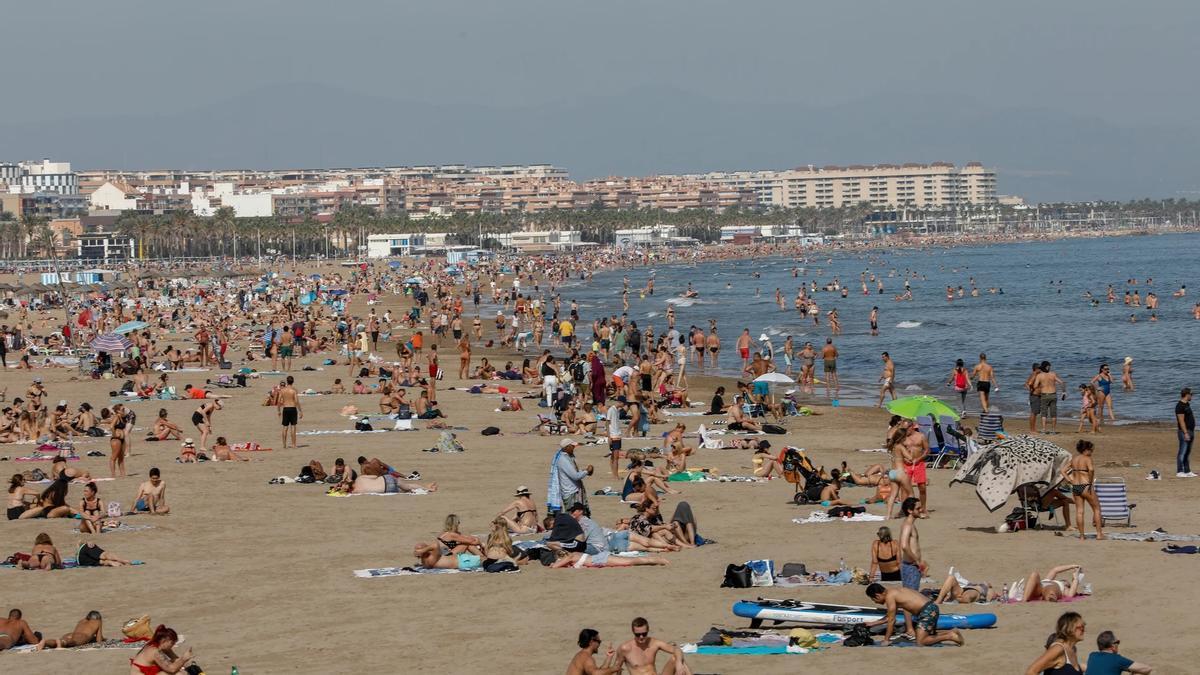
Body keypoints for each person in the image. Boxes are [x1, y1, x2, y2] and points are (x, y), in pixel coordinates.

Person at [864, 583, 964, 647]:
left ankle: (951, 636)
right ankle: (952, 632)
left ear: (877, 595)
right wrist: (874, 623)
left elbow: (891, 621)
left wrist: (886, 640)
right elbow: (889, 617)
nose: (876, 602)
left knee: (920, 642)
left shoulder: (890, 597)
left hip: (927, 611)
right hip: (930, 608)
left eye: (874, 600)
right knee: (926, 636)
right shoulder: (893, 591)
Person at [613, 617, 692, 675]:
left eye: (644, 634)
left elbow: (676, 649)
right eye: (638, 635)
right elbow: (616, 668)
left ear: (648, 631)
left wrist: (678, 664)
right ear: (633, 632)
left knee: (678, 659)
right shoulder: (625, 648)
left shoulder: (654, 643)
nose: (641, 637)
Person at [1062, 440, 1103, 540]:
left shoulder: (1074, 459)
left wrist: (1070, 481)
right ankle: (1099, 534)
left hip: (1076, 486)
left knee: (1079, 511)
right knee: (1097, 509)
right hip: (1086, 485)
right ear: (1086, 450)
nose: (1092, 452)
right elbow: (1091, 469)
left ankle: (1081, 536)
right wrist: (1090, 481)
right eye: (1091, 450)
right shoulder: (1087, 458)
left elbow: (1063, 471)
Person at [548, 438, 592, 515]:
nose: (574, 448)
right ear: (567, 447)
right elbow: (575, 476)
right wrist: (587, 471)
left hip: (574, 490)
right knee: (573, 514)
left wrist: (584, 471)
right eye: (572, 446)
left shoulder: (568, 457)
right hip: (571, 491)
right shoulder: (563, 459)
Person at [129, 624, 194, 675]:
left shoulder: (161, 646)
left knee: (179, 673)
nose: (173, 645)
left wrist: (190, 666)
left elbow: (175, 659)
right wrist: (183, 659)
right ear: (164, 641)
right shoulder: (154, 652)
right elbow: (171, 669)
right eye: (172, 643)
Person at [1086, 630, 1153, 674]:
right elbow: (1147, 669)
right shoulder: (1117, 659)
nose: (1118, 644)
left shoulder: (1092, 656)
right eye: (1117, 642)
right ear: (1113, 646)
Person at [1008, 564, 1084, 602]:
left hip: (1050, 590)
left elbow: (1071, 594)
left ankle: (1050, 597)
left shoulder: (1064, 588)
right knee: (1034, 574)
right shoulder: (1049, 580)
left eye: (1066, 581)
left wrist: (1075, 578)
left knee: (1051, 590)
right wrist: (1072, 566)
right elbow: (1055, 570)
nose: (1065, 580)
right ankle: (1023, 598)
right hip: (1038, 589)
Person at [898, 497, 926, 590]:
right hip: (911, 567)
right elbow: (904, 546)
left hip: (910, 566)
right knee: (912, 596)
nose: (921, 510)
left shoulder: (908, 524)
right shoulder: (908, 525)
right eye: (918, 508)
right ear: (910, 510)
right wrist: (917, 561)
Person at [277, 375, 302, 449]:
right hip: (293, 408)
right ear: (293, 382)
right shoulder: (294, 390)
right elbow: (297, 401)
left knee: (285, 427)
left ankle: (284, 445)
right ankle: (294, 444)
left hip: (285, 408)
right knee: (293, 426)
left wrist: (278, 410)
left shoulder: (282, 390)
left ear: (287, 382)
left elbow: (279, 401)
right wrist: (300, 411)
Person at [1176, 387, 1195, 478]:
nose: (1192, 396)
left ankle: (1187, 471)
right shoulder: (1180, 406)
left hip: (1191, 431)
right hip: (1184, 432)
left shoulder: (1187, 404)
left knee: (1187, 452)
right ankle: (1179, 471)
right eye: (1191, 394)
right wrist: (1185, 433)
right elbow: (1181, 421)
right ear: (1187, 394)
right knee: (1182, 452)